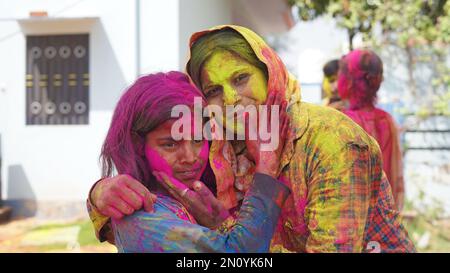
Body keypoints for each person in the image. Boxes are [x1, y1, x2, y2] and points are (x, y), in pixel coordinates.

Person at [89, 25, 415, 253]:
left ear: (269, 71)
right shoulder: (224, 147)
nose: (230, 99)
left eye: (241, 78)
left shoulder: (330, 142)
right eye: (214, 90)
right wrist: (99, 195)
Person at [89, 71, 291, 252]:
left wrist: (218, 224)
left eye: (197, 140)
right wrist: (266, 166)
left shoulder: (186, 201)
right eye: (170, 144)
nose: (190, 157)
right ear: (138, 144)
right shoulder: (143, 215)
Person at [337, 49, 405, 210]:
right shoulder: (387, 121)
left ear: (349, 81)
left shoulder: (342, 121)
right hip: (382, 220)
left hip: (349, 220)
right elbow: (394, 177)